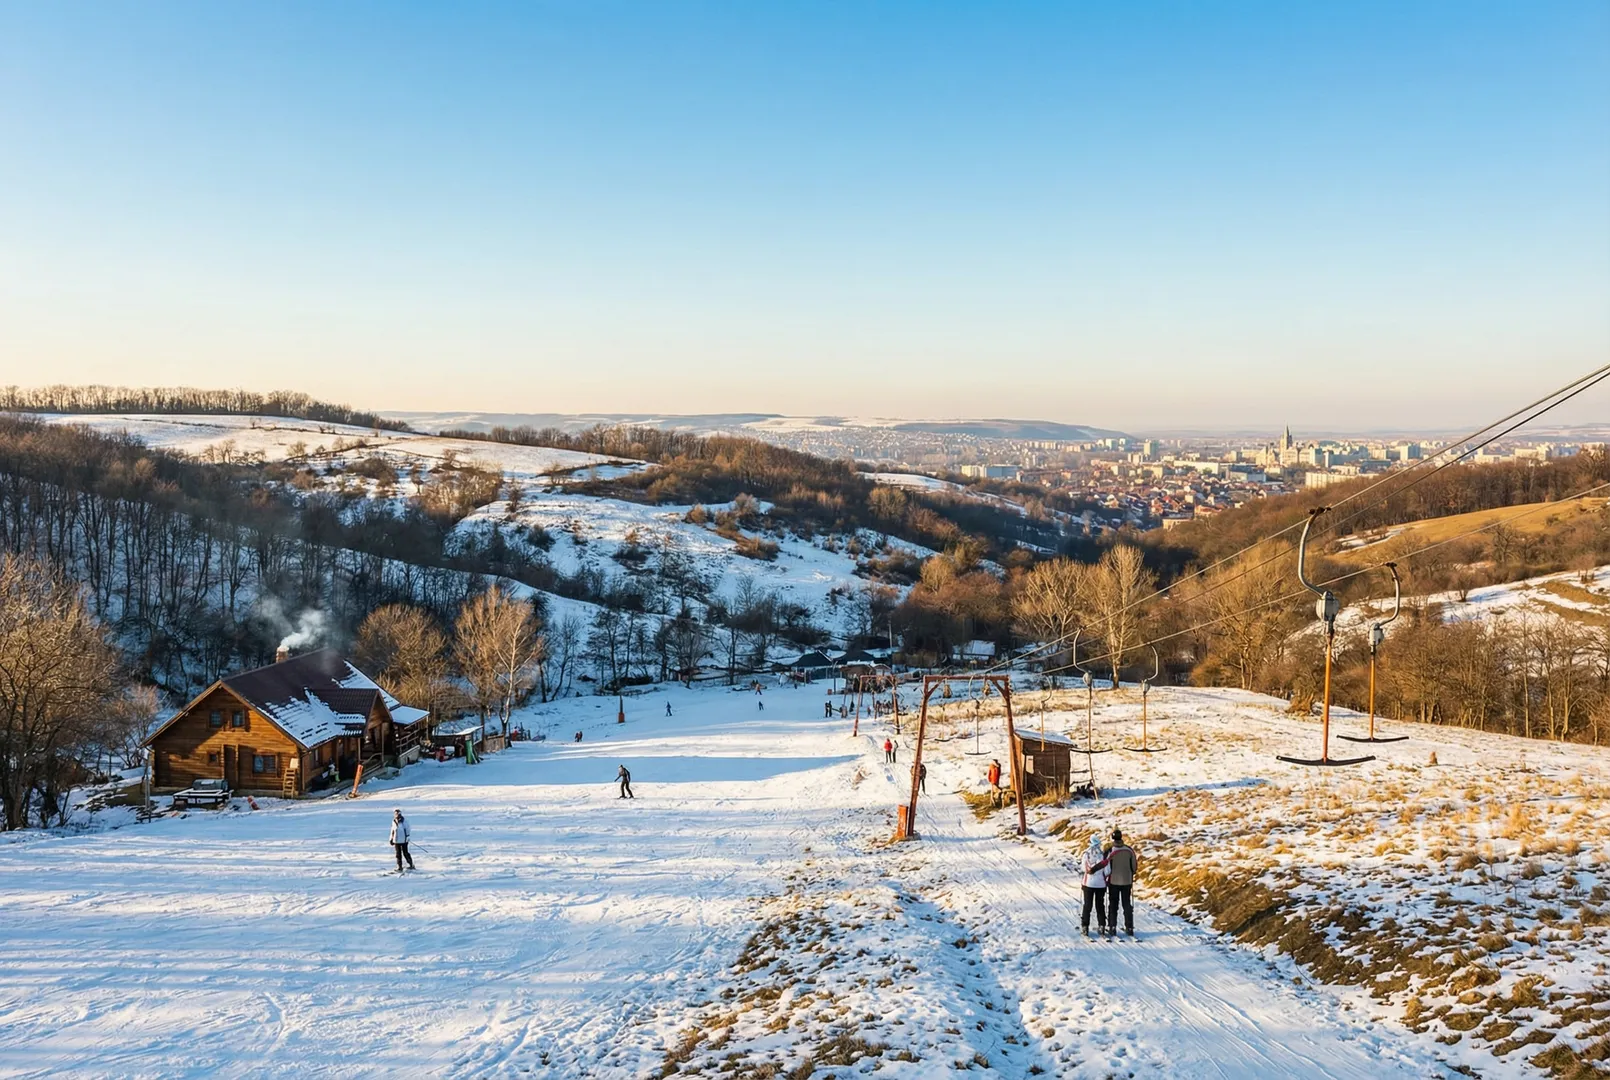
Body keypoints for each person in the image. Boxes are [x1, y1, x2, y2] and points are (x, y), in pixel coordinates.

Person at [1106, 828, 1139, 937]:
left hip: (1113, 881)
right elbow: (1134, 867)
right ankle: (1129, 927)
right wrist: (1131, 873)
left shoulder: (1110, 851)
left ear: (1112, 838)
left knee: (1113, 904)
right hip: (1127, 881)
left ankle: (1112, 927)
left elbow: (1106, 866)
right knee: (1126, 904)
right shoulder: (1129, 850)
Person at [1080, 834, 1110, 936]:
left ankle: (1085, 926)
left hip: (1088, 883)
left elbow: (1083, 869)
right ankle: (1101, 926)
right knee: (1100, 905)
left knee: (1087, 905)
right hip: (1100, 884)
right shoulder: (1102, 855)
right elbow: (1107, 870)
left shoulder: (1086, 854)